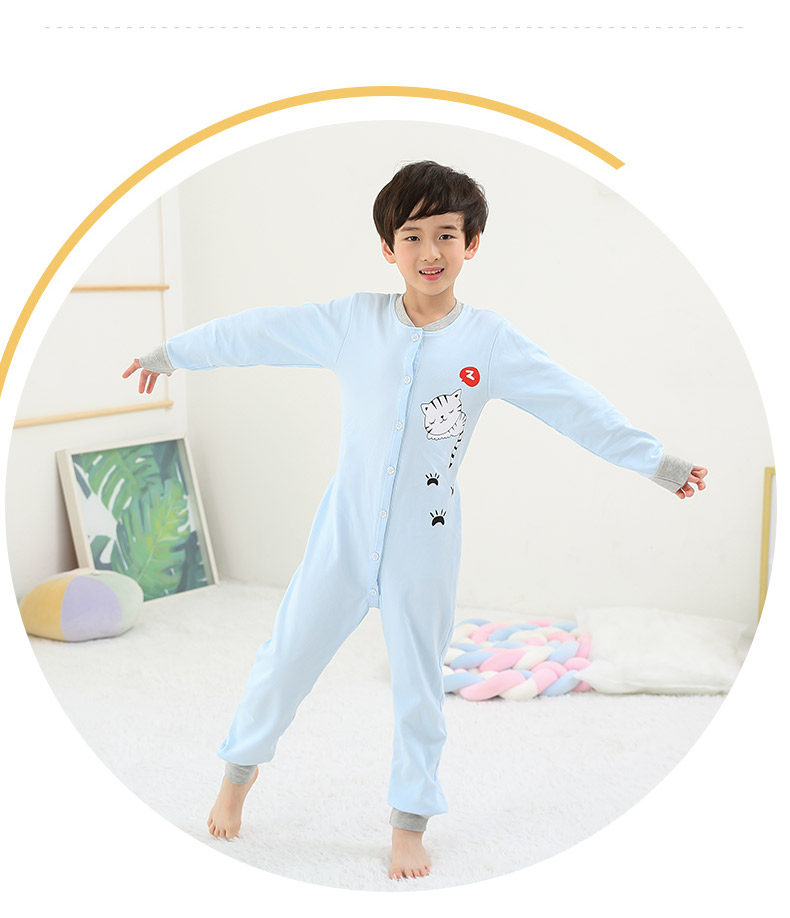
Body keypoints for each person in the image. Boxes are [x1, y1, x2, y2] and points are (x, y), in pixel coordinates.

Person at [123, 160, 707, 880]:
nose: (430, 252)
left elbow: (573, 404)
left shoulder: (488, 341)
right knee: (285, 659)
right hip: (343, 533)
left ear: (472, 244)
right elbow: (259, 332)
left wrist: (657, 463)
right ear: (387, 248)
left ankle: (409, 821)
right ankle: (236, 780)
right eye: (412, 236)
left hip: (424, 543)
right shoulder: (352, 322)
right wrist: (173, 354)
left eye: (446, 235)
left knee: (419, 686)